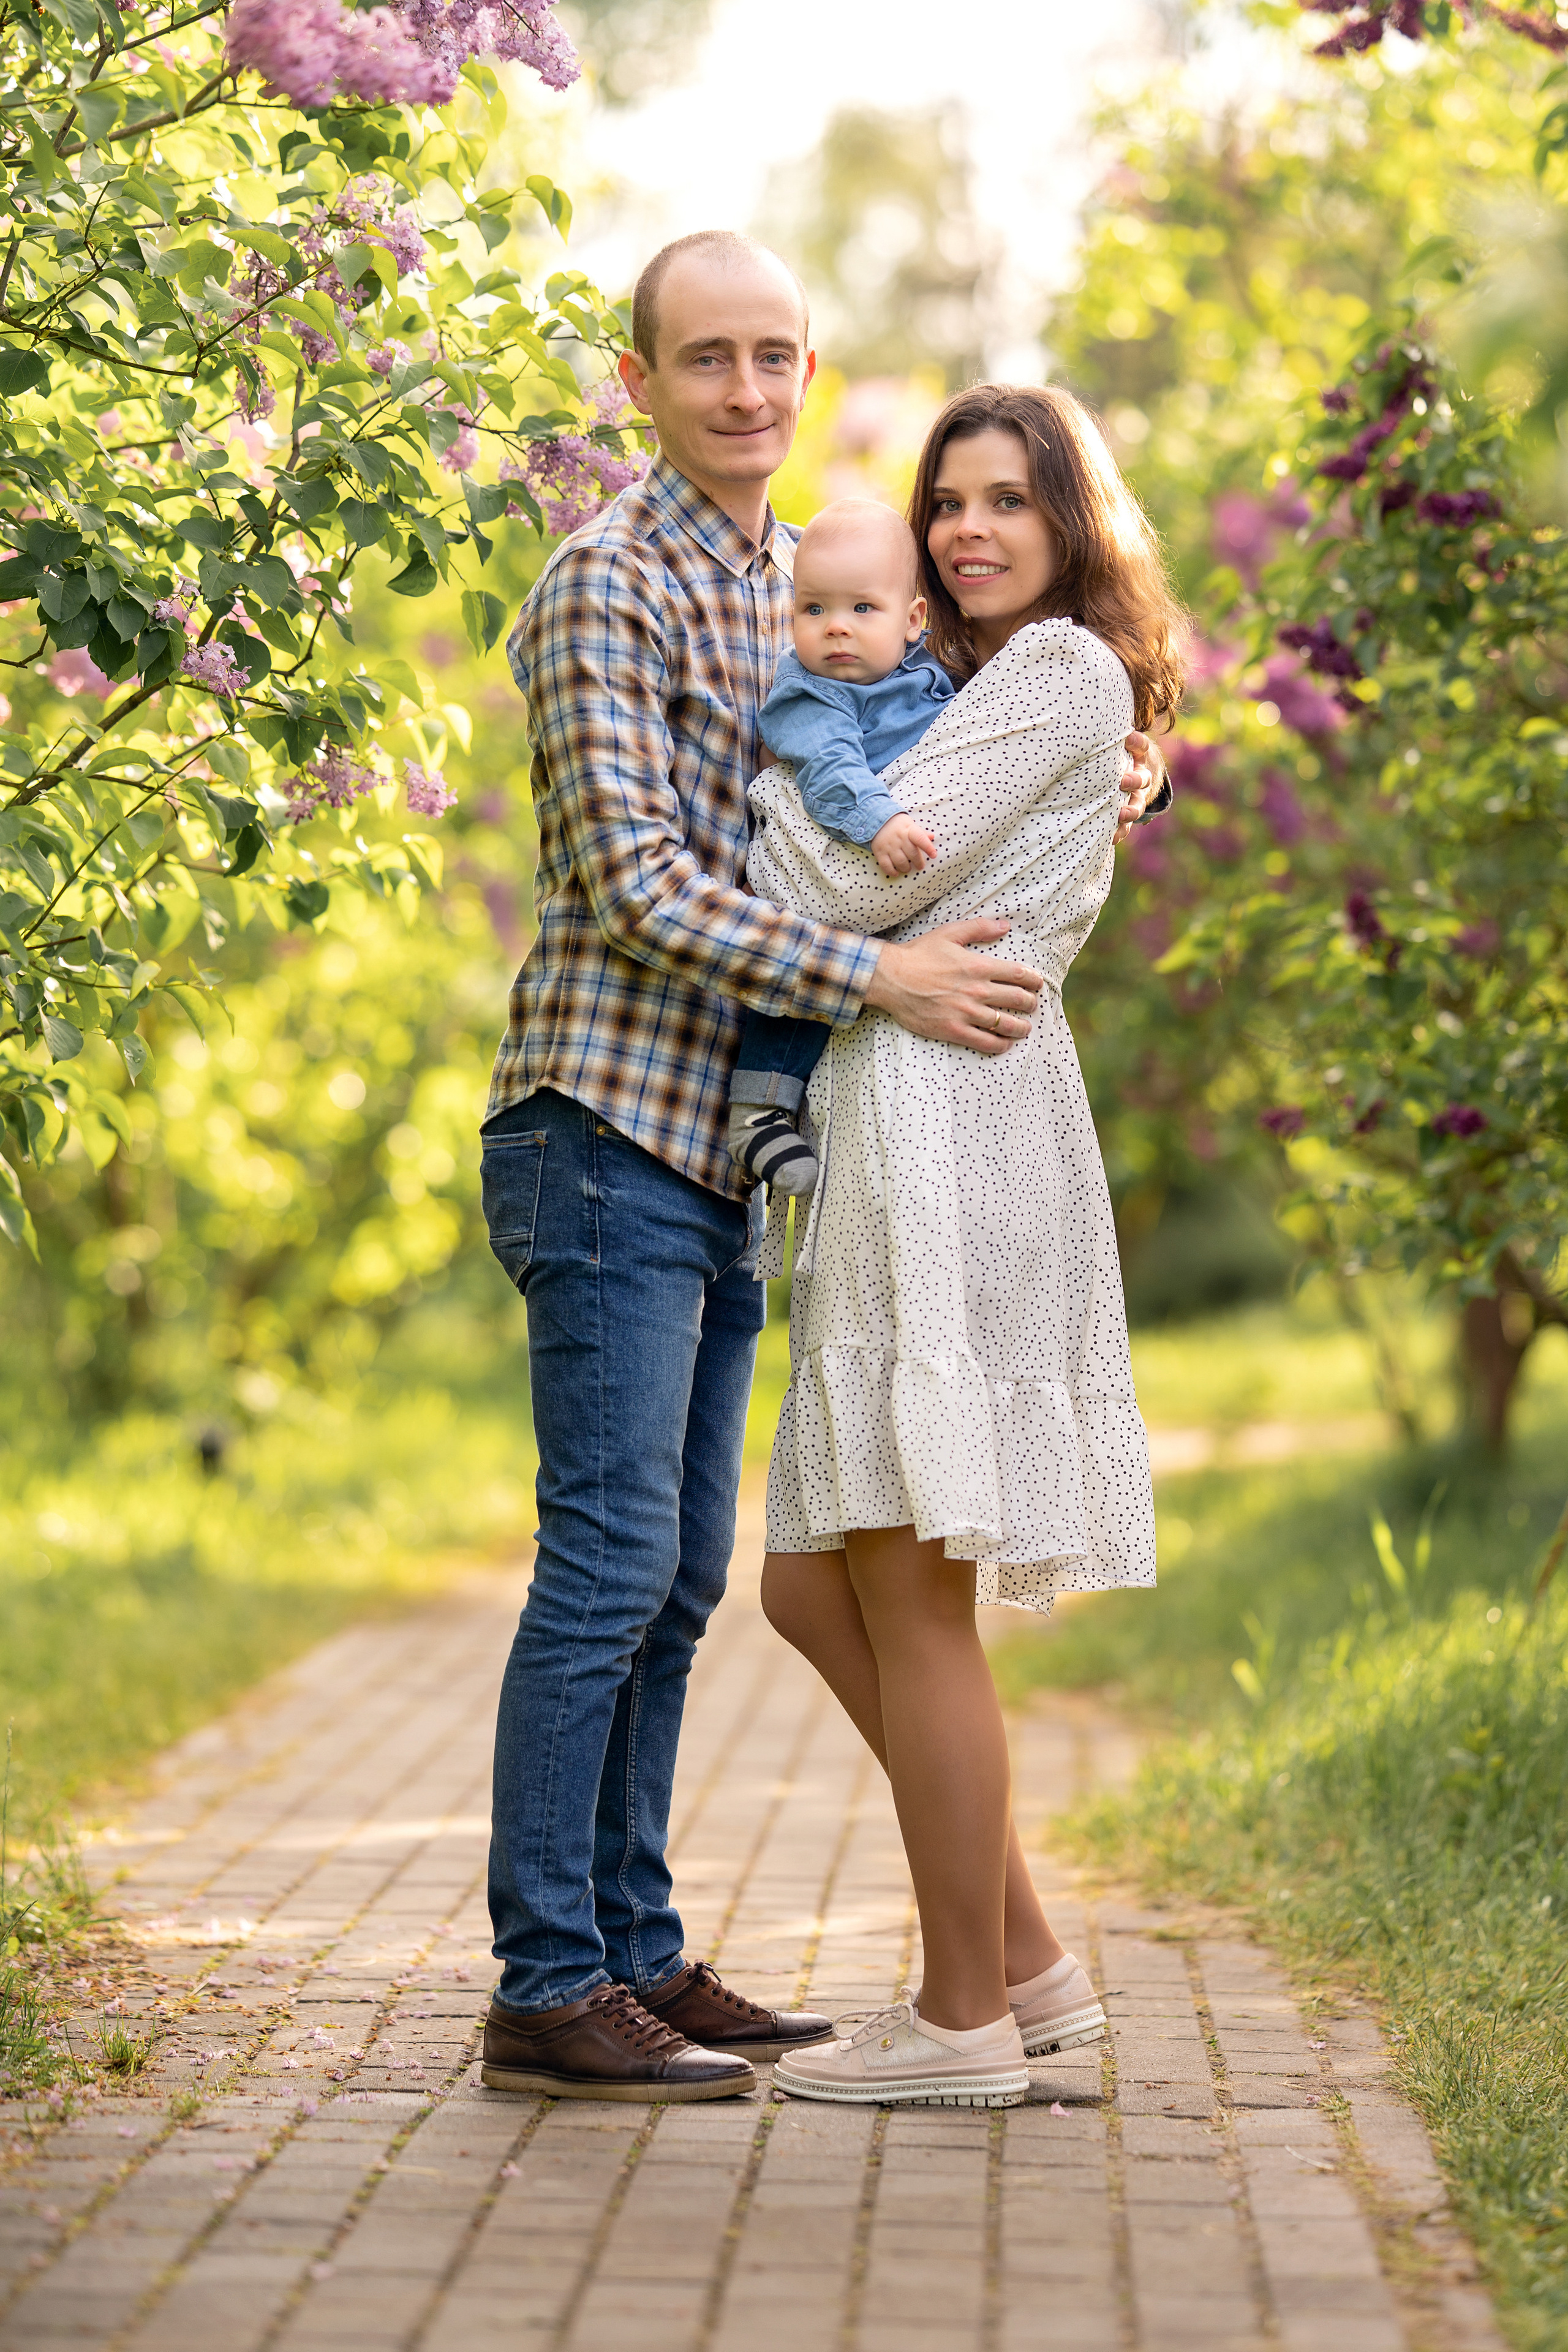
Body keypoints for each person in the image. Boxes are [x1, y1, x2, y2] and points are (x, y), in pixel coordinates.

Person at [477, 232, 1169, 2105]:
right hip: (616, 1115)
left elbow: (984, 738)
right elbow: (645, 879)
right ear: (641, 380)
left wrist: (1120, 758)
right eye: (707, 356)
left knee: (710, 1578)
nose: (748, 388)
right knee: (647, 1566)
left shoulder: (811, 583)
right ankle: (556, 1973)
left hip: (776, 1138)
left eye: (775, 353)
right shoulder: (611, 581)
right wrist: (877, 964)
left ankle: (676, 1955)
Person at [756, 383, 1183, 2109]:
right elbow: (886, 866)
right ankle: (1028, 1969)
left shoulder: (1061, 671)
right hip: (918, 1105)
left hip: (950, 1115)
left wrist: (762, 797)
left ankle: (957, 2023)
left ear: (1072, 519)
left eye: (1008, 498)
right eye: (949, 502)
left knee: (905, 1587)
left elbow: (855, 886)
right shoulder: (983, 681)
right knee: (813, 1584)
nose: (967, 529)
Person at [728, 497, 952, 1201]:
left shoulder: (923, 674)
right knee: (804, 971)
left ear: (912, 620)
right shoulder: (808, 689)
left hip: (894, 883)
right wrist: (880, 821)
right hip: (826, 860)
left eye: (861, 609)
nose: (835, 627)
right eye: (814, 609)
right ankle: (758, 1106)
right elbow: (830, 768)